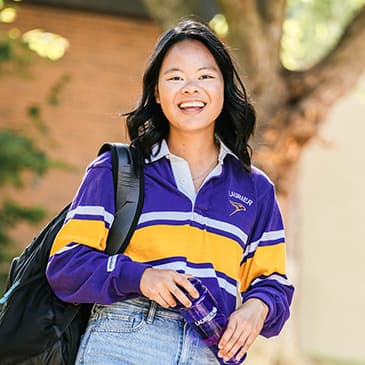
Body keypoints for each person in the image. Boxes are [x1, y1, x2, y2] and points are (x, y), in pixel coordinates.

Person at [46, 19, 294, 365]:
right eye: (175, 77)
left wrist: (257, 307)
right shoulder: (116, 170)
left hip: (211, 348)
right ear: (158, 93)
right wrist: (142, 277)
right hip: (123, 341)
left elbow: (274, 284)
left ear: (224, 88)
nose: (190, 88)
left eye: (205, 76)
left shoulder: (255, 189)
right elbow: (66, 265)